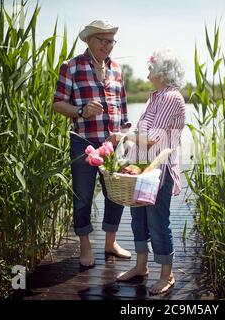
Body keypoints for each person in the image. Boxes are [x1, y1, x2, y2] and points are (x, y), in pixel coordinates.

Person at [53, 20, 132, 268]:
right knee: (83, 196)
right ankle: (85, 248)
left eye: (111, 42)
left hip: (114, 144)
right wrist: (81, 110)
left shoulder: (117, 69)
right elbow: (57, 103)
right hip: (83, 143)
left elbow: (123, 109)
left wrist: (122, 135)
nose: (108, 46)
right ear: (89, 40)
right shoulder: (71, 67)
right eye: (103, 41)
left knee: (116, 196)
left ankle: (111, 243)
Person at [116, 49, 186, 295]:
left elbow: (154, 139)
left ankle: (167, 275)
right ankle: (141, 267)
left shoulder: (170, 97)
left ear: (162, 72)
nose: (147, 73)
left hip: (159, 170)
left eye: (151, 68)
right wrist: (128, 142)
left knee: (157, 222)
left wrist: (124, 136)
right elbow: (143, 134)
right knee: (139, 220)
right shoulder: (155, 96)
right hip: (143, 170)